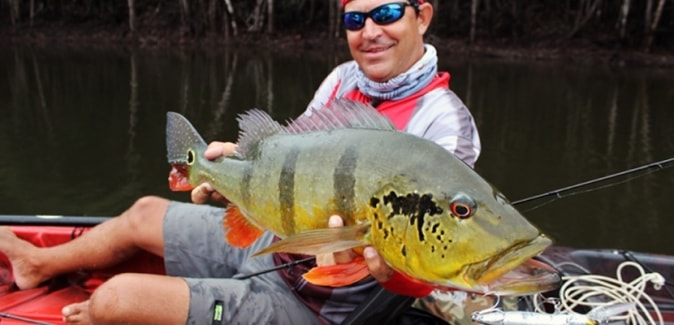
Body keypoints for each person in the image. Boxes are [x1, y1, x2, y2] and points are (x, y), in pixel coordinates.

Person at [0, 0, 480, 324]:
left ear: (423, 16)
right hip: (277, 237)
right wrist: (238, 171)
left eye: (388, 13)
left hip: (321, 302)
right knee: (144, 211)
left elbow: (431, 264)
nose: (370, 32)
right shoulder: (342, 79)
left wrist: (367, 261)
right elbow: (289, 161)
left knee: (116, 299)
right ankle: (38, 264)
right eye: (354, 21)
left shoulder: (444, 125)